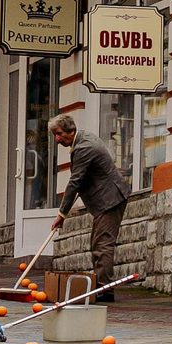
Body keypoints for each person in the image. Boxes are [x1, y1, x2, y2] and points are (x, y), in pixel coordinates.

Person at [49, 113, 131, 302]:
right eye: (55, 134)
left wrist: (62, 214)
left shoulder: (84, 147)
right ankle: (102, 286)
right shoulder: (81, 139)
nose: (57, 138)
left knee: (102, 245)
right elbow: (82, 177)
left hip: (110, 199)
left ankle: (105, 289)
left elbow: (74, 182)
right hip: (106, 198)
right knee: (97, 244)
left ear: (70, 130)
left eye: (59, 133)